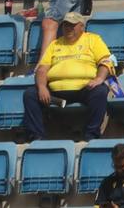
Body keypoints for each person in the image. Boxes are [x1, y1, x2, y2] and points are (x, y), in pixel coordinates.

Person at [23, 11, 113, 141]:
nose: (68, 28)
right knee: (30, 94)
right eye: (66, 25)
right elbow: (42, 69)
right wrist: (42, 87)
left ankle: (91, 135)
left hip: (84, 89)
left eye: (72, 25)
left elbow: (106, 61)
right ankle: (36, 138)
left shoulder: (93, 39)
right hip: (56, 93)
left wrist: (99, 78)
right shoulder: (55, 44)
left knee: (100, 91)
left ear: (81, 26)